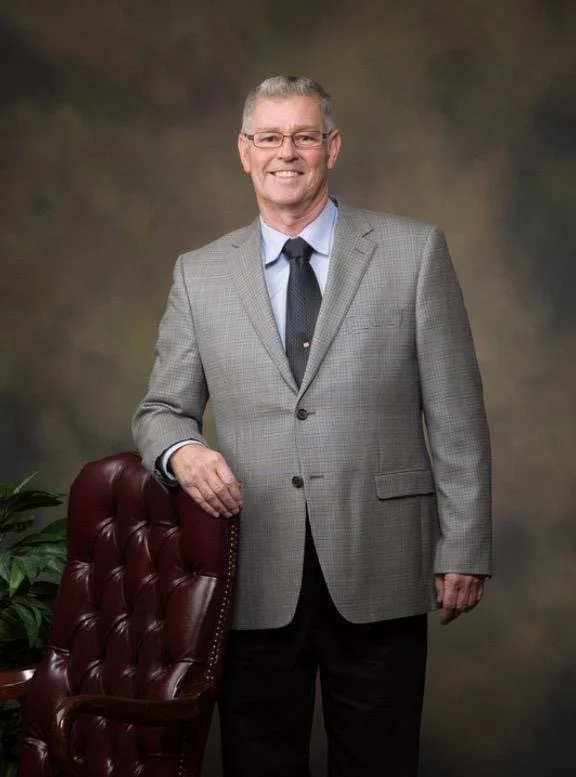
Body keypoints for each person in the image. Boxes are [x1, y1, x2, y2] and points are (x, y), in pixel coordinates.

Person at [132, 75, 492, 777]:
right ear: (244, 151)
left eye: (303, 136)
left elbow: (457, 412)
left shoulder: (413, 252)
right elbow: (161, 410)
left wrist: (465, 545)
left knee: (380, 762)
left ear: (332, 147)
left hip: (381, 558)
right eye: (269, 137)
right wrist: (182, 451)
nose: (286, 152)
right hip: (253, 566)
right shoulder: (200, 274)